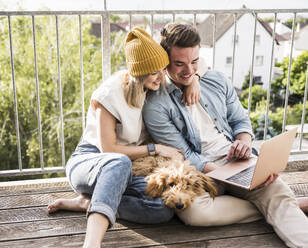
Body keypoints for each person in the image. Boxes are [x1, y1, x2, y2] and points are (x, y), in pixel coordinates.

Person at [142, 23, 308, 248]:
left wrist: (244, 143)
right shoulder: (157, 104)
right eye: (179, 64)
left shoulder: (215, 80)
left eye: (194, 62)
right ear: (165, 61)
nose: (189, 71)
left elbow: (241, 122)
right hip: (201, 171)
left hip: (236, 160)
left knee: (274, 189)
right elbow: (184, 155)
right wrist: (230, 176)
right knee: (193, 213)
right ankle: (278, 205)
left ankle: (279, 204)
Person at [46, 27, 204, 248]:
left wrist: (193, 80)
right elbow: (109, 150)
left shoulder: (153, 86)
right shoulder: (110, 94)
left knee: (161, 207)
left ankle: (89, 203)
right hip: (92, 161)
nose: (161, 76)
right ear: (139, 73)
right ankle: (92, 243)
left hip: (130, 167)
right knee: (118, 162)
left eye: (162, 70)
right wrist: (155, 148)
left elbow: (191, 64)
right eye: (154, 72)